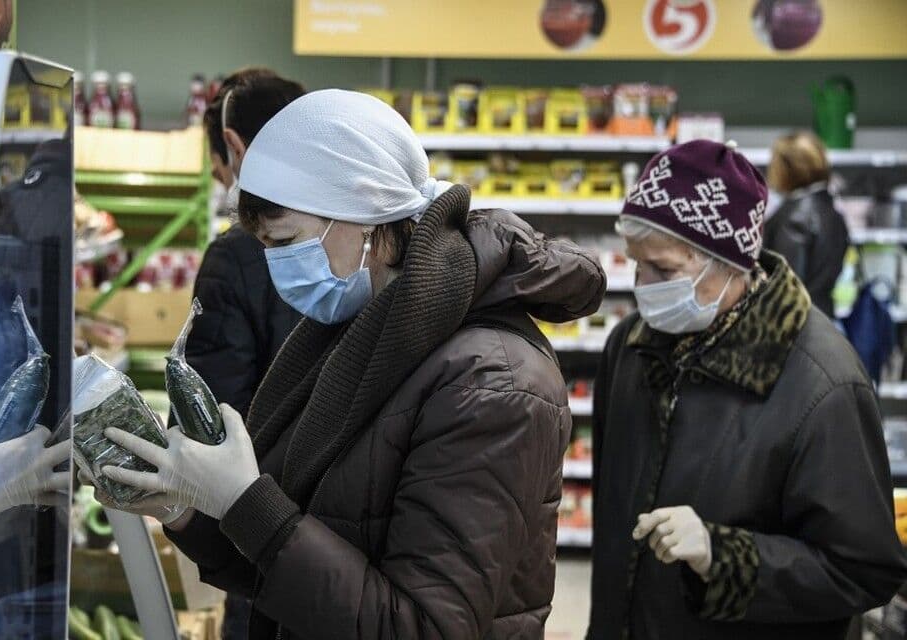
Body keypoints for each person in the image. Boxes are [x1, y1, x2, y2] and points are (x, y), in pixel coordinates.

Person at [95, 89, 607, 639]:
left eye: (287, 241)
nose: (277, 266)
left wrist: (251, 504)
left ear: (364, 213)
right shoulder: (358, 333)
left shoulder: (491, 384)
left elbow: (424, 627)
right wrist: (188, 510)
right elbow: (297, 568)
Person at [588, 139, 907, 640]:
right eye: (636, 262)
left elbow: (864, 570)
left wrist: (724, 556)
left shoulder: (823, 384)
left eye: (664, 269)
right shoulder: (629, 350)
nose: (642, 284)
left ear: (727, 262)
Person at [190, 69, 305, 639]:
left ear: (234, 149)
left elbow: (211, 428)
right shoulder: (381, 254)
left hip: (264, 545)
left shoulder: (235, 258)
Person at [763, 130, 849, 317]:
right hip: (823, 316)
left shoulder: (794, 218)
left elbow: (789, 290)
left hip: (797, 327)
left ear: (789, 168)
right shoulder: (831, 209)